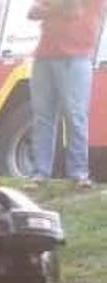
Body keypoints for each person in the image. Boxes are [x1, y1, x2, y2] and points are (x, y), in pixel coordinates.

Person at [28, 0, 107, 188]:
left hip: (76, 57)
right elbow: (32, 12)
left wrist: (49, 9)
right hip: (44, 57)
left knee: (75, 116)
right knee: (43, 117)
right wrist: (57, 8)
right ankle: (40, 173)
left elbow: (74, 10)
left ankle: (79, 174)